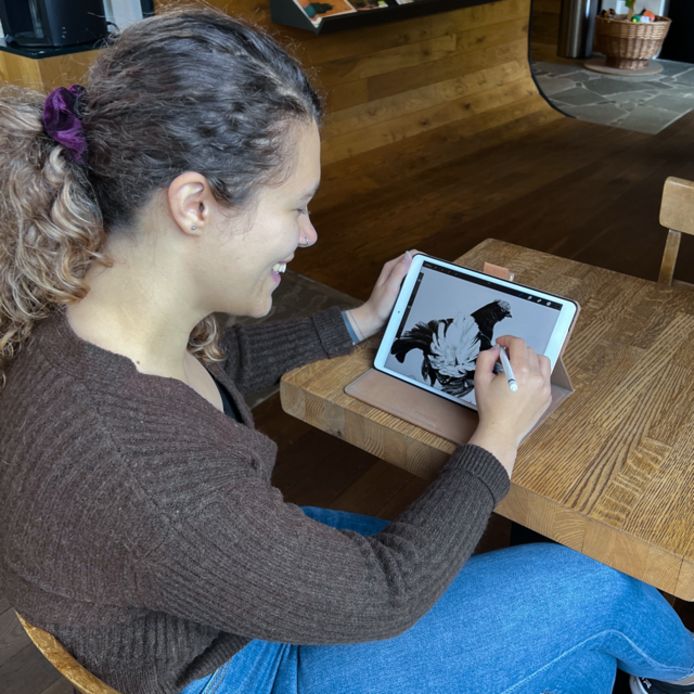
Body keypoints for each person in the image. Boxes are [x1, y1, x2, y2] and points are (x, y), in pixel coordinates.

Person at [0, 8, 691, 694]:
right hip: (238, 666)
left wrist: (361, 320)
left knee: (555, 632)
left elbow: (214, 374)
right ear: (196, 204)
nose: (308, 236)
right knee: (596, 586)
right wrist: (499, 436)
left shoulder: (94, 325)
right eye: (295, 207)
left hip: (203, 600)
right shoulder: (150, 476)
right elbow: (386, 594)